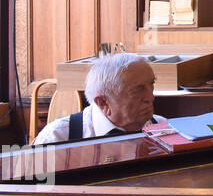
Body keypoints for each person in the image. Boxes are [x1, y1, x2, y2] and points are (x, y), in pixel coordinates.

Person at [34, 53, 166, 144]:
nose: (151, 97)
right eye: (138, 89)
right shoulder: (58, 138)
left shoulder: (164, 128)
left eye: (151, 84)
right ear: (103, 102)